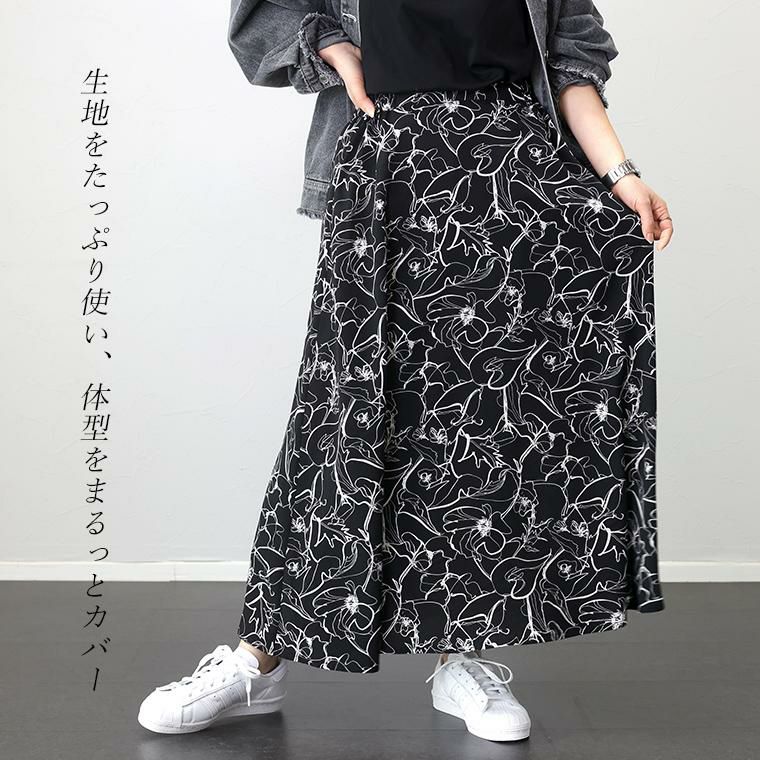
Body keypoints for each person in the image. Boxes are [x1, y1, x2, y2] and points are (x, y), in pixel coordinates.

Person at [137, 0, 672, 743]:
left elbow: (571, 57)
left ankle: (463, 653)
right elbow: (265, 15)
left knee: (480, 425)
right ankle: (259, 656)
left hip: (514, 171)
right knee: (344, 411)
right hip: (386, 166)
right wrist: (331, 47)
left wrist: (621, 174)